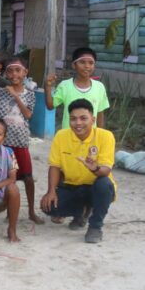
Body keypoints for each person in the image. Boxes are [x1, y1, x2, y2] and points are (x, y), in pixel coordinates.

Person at [41, 99, 117, 244]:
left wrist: (95, 168)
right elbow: (55, 166)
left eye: (83, 118)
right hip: (72, 186)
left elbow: (106, 171)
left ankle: (95, 227)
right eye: (73, 119)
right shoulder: (61, 136)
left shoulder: (106, 136)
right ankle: (81, 212)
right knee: (48, 206)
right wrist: (51, 191)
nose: (78, 123)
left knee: (104, 184)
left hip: (95, 187)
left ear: (93, 120)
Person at [0, 57, 42, 224]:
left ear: (25, 72)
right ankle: (7, 210)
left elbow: (28, 114)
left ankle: (31, 211)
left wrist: (16, 97)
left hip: (20, 142)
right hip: (2, 145)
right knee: (2, 177)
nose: (14, 74)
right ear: (6, 73)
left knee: (27, 177)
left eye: (18, 70)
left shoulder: (29, 94)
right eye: (10, 71)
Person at [45, 47, 110, 129]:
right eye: (82, 62)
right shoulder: (65, 86)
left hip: (90, 139)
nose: (87, 66)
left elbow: (100, 114)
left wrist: (100, 136)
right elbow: (50, 106)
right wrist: (47, 87)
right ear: (74, 65)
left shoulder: (99, 87)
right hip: (69, 137)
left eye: (91, 63)